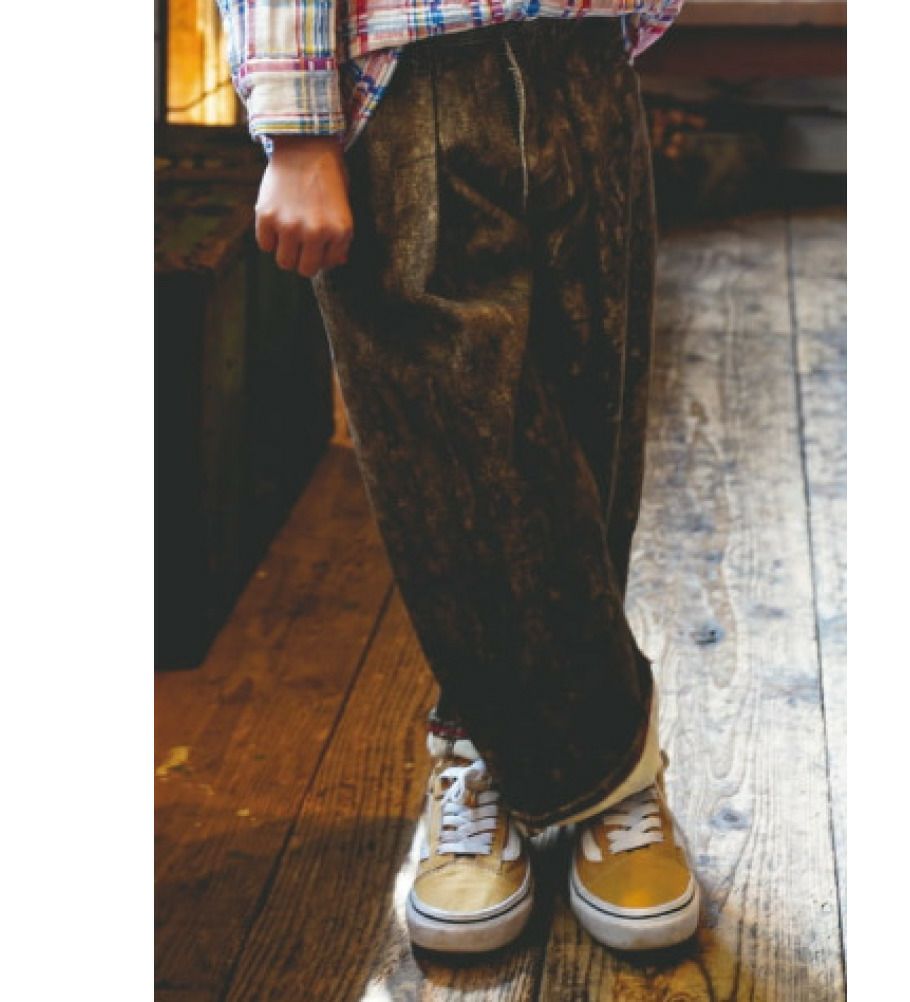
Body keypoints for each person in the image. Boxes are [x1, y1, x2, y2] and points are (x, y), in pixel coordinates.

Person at [215, 0, 699, 954]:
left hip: (587, 47)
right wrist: (298, 127)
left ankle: (521, 740)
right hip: (407, 70)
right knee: (452, 443)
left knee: (590, 431)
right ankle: (590, 766)